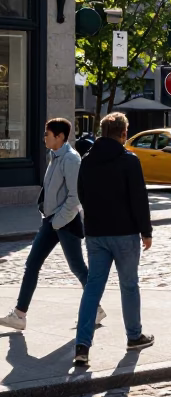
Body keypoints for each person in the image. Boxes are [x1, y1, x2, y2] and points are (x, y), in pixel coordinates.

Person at [0, 118, 102, 332]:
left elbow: (75, 197)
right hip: (52, 221)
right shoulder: (54, 156)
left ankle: (95, 308)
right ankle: (20, 314)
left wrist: (57, 221)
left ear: (60, 137)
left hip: (65, 222)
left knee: (78, 267)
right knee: (32, 264)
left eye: (47, 134)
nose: (44, 138)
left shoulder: (71, 160)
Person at [73, 112, 154, 368]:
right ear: (123, 133)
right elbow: (139, 199)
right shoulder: (129, 160)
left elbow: (81, 194)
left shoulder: (87, 161)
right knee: (129, 285)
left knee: (93, 288)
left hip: (96, 234)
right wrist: (146, 231)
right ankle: (134, 336)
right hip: (125, 233)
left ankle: (82, 346)